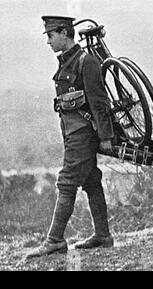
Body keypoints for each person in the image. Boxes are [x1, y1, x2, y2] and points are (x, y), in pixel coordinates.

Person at [26, 16, 115, 259]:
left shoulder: (86, 62)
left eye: (51, 35)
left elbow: (99, 102)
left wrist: (105, 136)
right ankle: (103, 236)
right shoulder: (68, 62)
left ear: (65, 33)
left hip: (83, 134)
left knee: (66, 182)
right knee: (90, 180)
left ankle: (54, 240)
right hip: (72, 132)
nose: (48, 41)